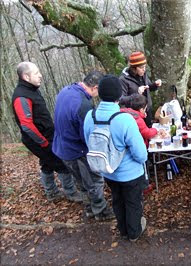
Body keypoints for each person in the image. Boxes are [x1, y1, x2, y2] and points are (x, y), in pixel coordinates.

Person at [84, 75, 148, 241]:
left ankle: (123, 231)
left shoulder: (90, 116)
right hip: (130, 173)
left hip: (107, 171)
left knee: (117, 200)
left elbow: (89, 142)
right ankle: (133, 233)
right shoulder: (125, 119)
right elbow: (140, 153)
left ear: (99, 93)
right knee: (133, 203)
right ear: (119, 96)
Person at [11, 62, 81, 202]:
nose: (40, 75)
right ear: (26, 76)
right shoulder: (21, 96)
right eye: (36, 73)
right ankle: (71, 192)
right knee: (60, 163)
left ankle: (51, 192)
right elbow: (26, 125)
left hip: (47, 135)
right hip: (38, 140)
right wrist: (43, 142)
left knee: (47, 163)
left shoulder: (32, 90)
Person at [52, 70, 114, 220]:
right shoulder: (83, 105)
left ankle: (90, 209)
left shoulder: (66, 91)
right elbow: (87, 135)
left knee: (81, 181)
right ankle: (101, 211)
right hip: (76, 150)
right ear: (95, 87)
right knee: (94, 180)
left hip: (62, 148)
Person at [119, 51, 162, 127]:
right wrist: (137, 93)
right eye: (141, 67)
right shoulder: (123, 79)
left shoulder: (143, 74)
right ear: (134, 68)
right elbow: (121, 99)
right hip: (134, 115)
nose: (144, 69)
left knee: (149, 133)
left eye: (145, 67)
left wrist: (155, 85)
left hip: (147, 111)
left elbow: (148, 87)